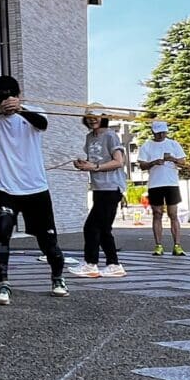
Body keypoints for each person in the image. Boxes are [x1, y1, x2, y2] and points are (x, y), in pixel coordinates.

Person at [0, 75, 69, 305]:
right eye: (1, 98)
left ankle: (57, 278)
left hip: (36, 188)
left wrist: (21, 108)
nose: (6, 101)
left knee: (48, 240)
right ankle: (3, 283)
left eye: (10, 96)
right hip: (5, 188)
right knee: (3, 230)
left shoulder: (34, 112)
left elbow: (42, 123)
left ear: (18, 96)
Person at [69, 108, 127, 278]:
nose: (92, 120)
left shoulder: (110, 135)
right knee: (103, 229)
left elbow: (118, 162)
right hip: (99, 188)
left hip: (111, 187)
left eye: (96, 117)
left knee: (92, 227)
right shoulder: (89, 137)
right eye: (89, 117)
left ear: (103, 118)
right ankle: (114, 265)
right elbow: (95, 161)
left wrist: (94, 167)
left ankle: (91, 264)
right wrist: (84, 164)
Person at [138, 120, 188, 256]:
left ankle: (177, 245)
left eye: (163, 132)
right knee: (157, 213)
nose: (161, 135)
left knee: (173, 214)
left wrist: (173, 159)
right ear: (153, 132)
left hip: (171, 183)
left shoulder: (173, 144)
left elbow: (183, 162)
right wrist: (153, 162)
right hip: (155, 184)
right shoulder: (147, 146)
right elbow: (142, 165)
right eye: (158, 133)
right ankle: (158, 245)